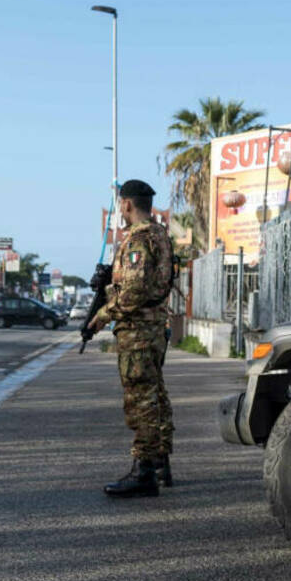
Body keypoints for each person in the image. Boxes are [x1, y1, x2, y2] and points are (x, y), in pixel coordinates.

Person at [87, 179, 175, 498]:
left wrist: (103, 315)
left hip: (138, 330)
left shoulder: (139, 239)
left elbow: (135, 290)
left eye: (120, 206)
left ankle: (144, 471)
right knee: (155, 394)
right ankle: (160, 461)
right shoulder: (160, 234)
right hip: (153, 328)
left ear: (126, 204)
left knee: (141, 401)